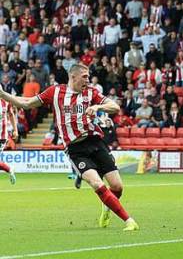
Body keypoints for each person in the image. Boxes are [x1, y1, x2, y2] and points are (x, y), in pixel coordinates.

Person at [0, 64, 139, 231]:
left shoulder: (91, 92)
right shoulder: (55, 92)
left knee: (117, 187)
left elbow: (115, 107)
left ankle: (107, 206)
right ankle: (129, 220)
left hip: (95, 141)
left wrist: (98, 107)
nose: (88, 80)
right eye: (85, 77)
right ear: (73, 77)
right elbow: (27, 103)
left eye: (88, 77)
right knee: (96, 183)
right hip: (75, 149)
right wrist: (2, 94)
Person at [0, 100, 17, 184]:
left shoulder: (5, 102)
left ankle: (9, 168)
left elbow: (11, 114)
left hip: (1, 137)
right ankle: (9, 169)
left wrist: (15, 130)